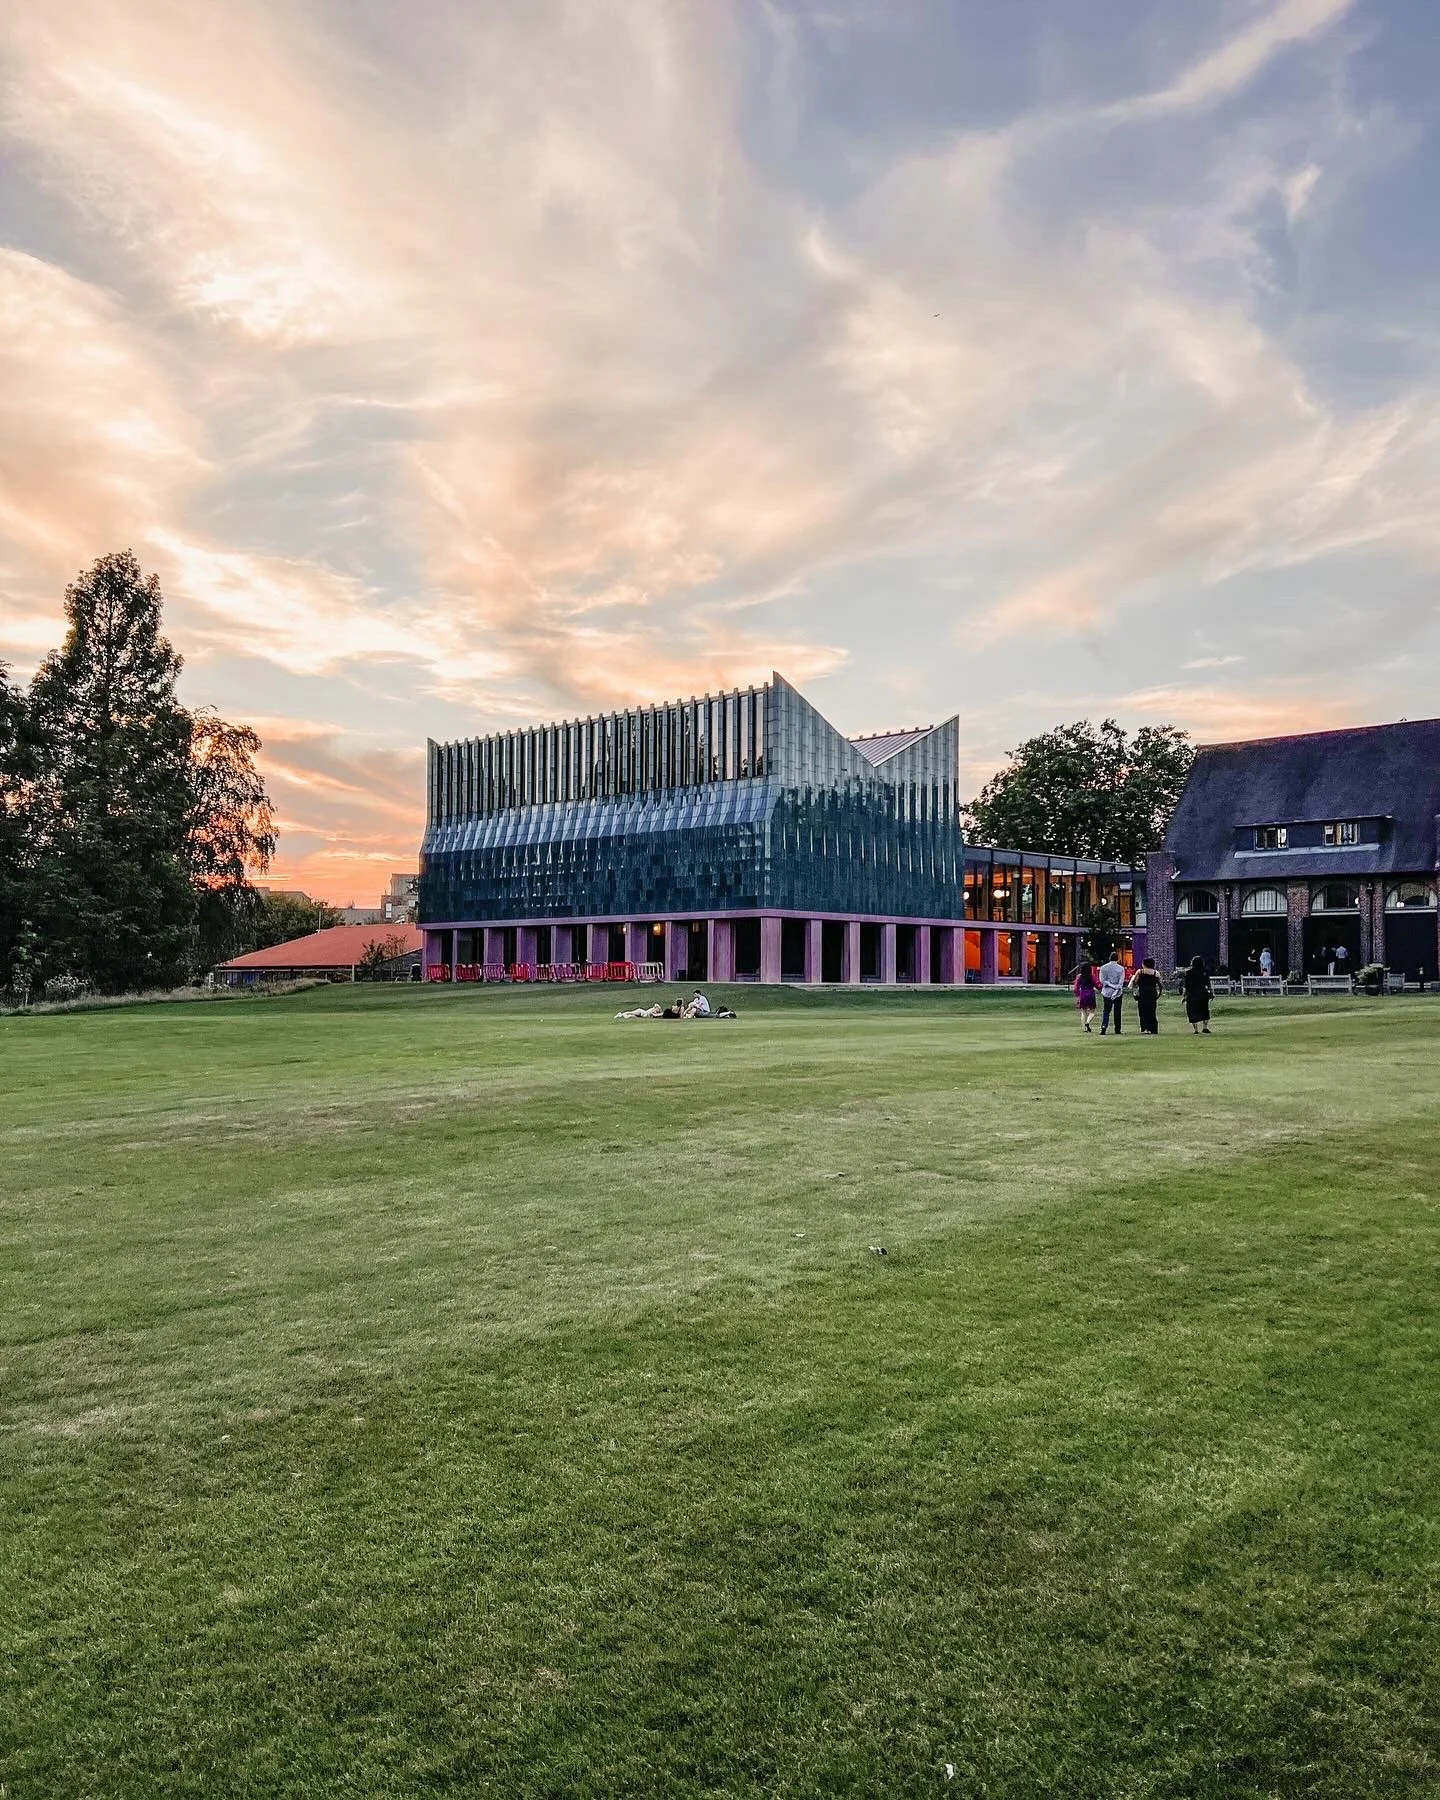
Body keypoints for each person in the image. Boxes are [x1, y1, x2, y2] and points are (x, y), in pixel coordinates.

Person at [1129, 956, 1163, 1035]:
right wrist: (1159, 993)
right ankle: (1153, 1028)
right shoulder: (1156, 973)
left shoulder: (1140, 972)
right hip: (1152, 993)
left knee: (1143, 1011)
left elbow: (1135, 982)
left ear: (1144, 964)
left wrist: (1133, 981)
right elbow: (1160, 985)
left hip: (1143, 993)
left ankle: (1145, 1028)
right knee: (1152, 1011)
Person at [1182, 955, 1213, 1035]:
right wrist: (1211, 993)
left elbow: (1186, 985)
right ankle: (1205, 1027)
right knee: (1205, 1010)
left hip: (1192, 994)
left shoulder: (1189, 972)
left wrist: (1184, 996)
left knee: (1192, 1011)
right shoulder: (1205, 971)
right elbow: (1208, 983)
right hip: (1203, 993)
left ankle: (1196, 1029)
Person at [1097, 950, 1127, 1035]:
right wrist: (1116, 989)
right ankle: (1117, 1029)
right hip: (1118, 992)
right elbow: (1121, 982)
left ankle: (1104, 1027)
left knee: (1106, 1010)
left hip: (1106, 992)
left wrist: (1110, 985)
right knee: (1117, 1011)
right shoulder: (1121, 969)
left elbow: (1102, 981)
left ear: (1109, 958)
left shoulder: (1103, 968)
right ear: (1117, 959)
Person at [1072, 959, 1098, 1033]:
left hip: (1082, 994)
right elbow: (1097, 985)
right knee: (1092, 1011)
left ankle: (1084, 1028)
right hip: (1091, 994)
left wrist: (1077, 995)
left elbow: (1076, 987)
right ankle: (1088, 1022)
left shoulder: (1079, 977)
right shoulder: (1092, 976)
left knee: (1083, 1012)